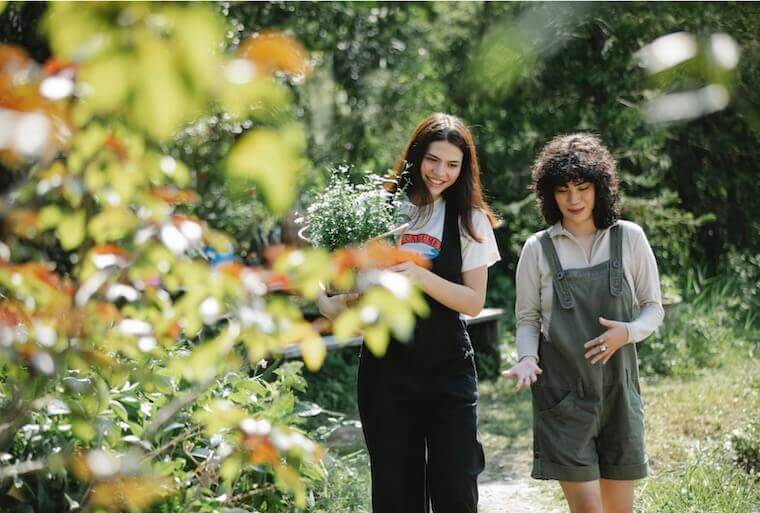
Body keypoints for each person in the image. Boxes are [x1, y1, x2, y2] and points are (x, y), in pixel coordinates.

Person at [318, 113, 501, 513]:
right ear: (416, 156)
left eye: (453, 165)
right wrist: (338, 300)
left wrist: (420, 278)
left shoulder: (471, 221)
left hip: (448, 367)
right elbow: (332, 294)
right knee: (395, 491)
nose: (441, 172)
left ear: (464, 168)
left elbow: (472, 302)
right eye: (433, 160)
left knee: (456, 484)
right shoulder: (375, 211)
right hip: (386, 370)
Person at [501, 133, 664, 513]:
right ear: (549, 194)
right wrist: (527, 357)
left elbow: (652, 308)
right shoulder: (537, 249)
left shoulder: (630, 238)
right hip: (563, 398)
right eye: (562, 190)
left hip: (619, 396)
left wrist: (628, 332)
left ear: (600, 187)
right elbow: (527, 319)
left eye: (583, 187)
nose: (573, 200)